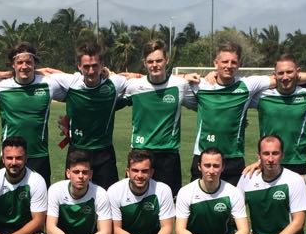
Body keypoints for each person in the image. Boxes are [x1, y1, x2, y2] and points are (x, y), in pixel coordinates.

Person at [188, 42, 274, 185]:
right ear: (216, 63)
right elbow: (171, 80)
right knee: (198, 204)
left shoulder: (247, 85)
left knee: (233, 204)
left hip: (233, 158)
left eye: (233, 62)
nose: (229, 65)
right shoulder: (201, 85)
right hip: (204, 156)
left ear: (239, 64)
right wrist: (187, 75)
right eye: (224, 62)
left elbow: (282, 78)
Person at [119, 40, 196, 192]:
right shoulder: (134, 86)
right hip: (140, 152)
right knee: (134, 202)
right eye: (150, 61)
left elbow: (203, 106)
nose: (155, 65)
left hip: (168, 155)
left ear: (166, 60)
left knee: (168, 203)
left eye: (159, 60)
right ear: (144, 63)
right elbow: (107, 102)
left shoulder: (180, 85)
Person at [52, 40, 128, 189]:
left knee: (108, 197)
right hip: (77, 149)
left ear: (102, 65)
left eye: (95, 66)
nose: (91, 71)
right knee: (75, 196)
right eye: (86, 66)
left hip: (104, 152)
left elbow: (139, 80)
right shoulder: (71, 82)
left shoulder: (114, 83)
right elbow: (42, 72)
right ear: (79, 66)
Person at [0, 42, 65, 181]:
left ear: (35, 64)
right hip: (10, 156)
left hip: (39, 156)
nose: (24, 66)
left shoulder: (48, 84)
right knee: (7, 201)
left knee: (39, 201)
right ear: (13, 64)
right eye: (20, 62)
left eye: (28, 62)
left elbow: (75, 83)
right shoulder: (1, 87)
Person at [250, 54, 306, 174]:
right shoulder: (261, 96)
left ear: (298, 72)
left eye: (289, 72)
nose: (285, 77)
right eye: (280, 73)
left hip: (297, 162)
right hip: (269, 160)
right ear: (274, 75)